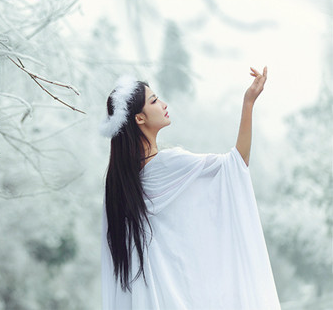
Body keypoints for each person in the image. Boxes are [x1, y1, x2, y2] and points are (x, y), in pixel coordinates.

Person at [100, 68, 281, 309]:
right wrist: (248, 103)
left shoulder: (121, 185)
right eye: (154, 101)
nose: (163, 104)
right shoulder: (169, 163)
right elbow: (236, 163)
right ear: (139, 118)